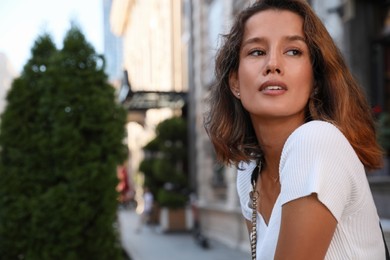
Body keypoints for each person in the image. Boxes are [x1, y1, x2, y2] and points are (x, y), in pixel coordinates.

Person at [204, 0, 388, 259]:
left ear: (314, 80)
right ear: (235, 82)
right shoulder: (249, 172)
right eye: (257, 51)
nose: (273, 64)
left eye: (293, 51)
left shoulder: (316, 141)